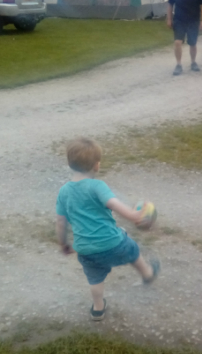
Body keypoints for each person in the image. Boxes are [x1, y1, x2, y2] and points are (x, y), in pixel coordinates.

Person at [56, 137, 160, 321]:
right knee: (132, 250)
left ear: (70, 164)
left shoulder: (64, 192)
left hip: (85, 249)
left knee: (95, 278)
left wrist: (64, 243)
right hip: (112, 243)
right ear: (96, 165)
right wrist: (134, 215)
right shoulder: (97, 186)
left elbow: (60, 222)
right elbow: (113, 203)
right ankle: (147, 273)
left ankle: (98, 309)